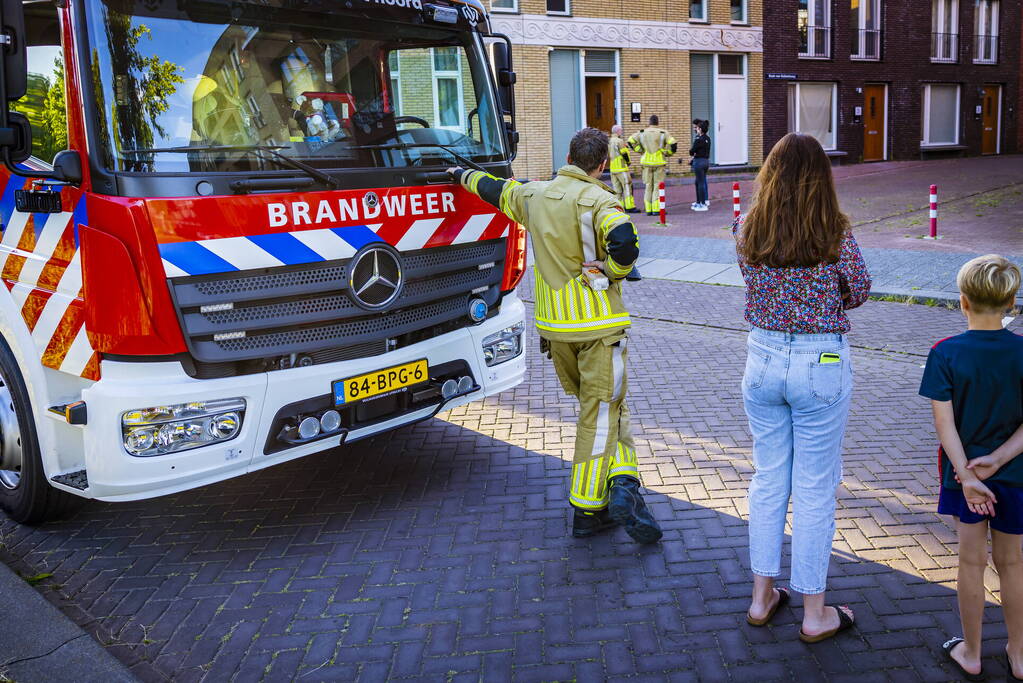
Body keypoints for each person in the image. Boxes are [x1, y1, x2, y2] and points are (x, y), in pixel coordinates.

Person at [446, 128, 662, 544]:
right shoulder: (601, 199)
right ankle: (587, 507)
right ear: (602, 165)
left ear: (567, 154)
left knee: (605, 406)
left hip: (555, 329)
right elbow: (625, 242)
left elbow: (493, 188)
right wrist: (612, 273)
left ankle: (625, 484)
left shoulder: (535, 195)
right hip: (598, 326)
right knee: (599, 414)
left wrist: (458, 174)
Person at [735, 133, 871, 642]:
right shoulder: (834, 231)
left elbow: (752, 280)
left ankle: (761, 596)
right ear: (822, 179)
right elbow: (858, 289)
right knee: (814, 488)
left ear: (768, 176)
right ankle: (816, 613)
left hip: (763, 358)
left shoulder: (747, 227)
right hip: (821, 361)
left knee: (769, 479)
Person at [918, 255, 1023, 681]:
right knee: (1014, 563)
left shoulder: (945, 353)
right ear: (1011, 301)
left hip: (965, 482)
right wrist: (998, 460)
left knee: (970, 563)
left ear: (962, 302)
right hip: (1016, 475)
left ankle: (972, 652)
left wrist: (968, 475)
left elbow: (945, 425)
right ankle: (1019, 653)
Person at [628, 115, 677, 216]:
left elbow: (630, 141)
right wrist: (668, 153)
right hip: (659, 163)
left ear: (649, 122)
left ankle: (648, 209)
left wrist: (640, 150)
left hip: (646, 163)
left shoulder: (641, 132)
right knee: (657, 186)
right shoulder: (663, 133)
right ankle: (656, 209)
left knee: (648, 185)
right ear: (657, 122)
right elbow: (673, 143)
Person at [608, 125, 637, 213]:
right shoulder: (619, 141)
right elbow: (624, 154)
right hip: (621, 168)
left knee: (617, 190)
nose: (622, 131)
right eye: (621, 130)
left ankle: (619, 208)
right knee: (627, 186)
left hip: (613, 169)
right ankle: (630, 207)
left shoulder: (609, 141)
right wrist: (628, 162)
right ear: (618, 131)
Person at [689, 119, 711, 212]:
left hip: (699, 162)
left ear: (701, 129)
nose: (696, 129)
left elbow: (691, 151)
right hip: (706, 162)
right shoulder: (708, 138)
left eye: (697, 128)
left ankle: (702, 204)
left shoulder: (699, 139)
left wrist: (693, 153)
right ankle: (699, 202)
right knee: (699, 182)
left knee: (700, 183)